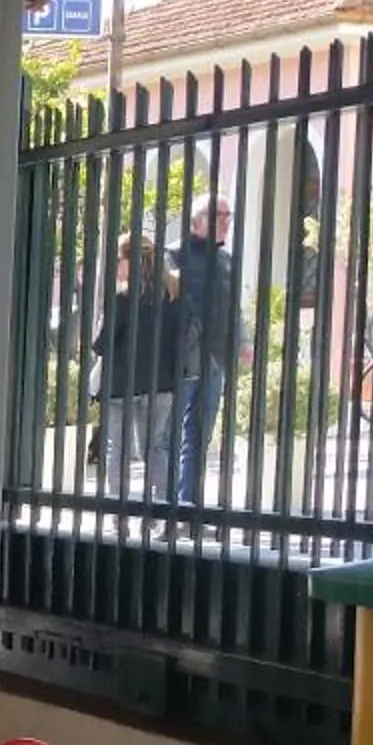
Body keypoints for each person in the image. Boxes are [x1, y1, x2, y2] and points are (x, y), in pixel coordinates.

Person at [88, 231, 183, 509]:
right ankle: (162, 511)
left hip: (121, 385)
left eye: (119, 259)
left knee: (117, 450)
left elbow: (100, 345)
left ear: (133, 261)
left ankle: (118, 515)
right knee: (155, 449)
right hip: (161, 383)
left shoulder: (122, 299)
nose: (116, 265)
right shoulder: (171, 295)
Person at [174, 193, 237, 510]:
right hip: (183, 358)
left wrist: (242, 342)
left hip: (215, 358)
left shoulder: (226, 261)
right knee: (173, 433)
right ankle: (169, 504)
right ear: (197, 220)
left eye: (228, 215)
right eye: (218, 215)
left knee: (201, 435)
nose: (225, 221)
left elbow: (234, 309)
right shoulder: (175, 255)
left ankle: (190, 503)